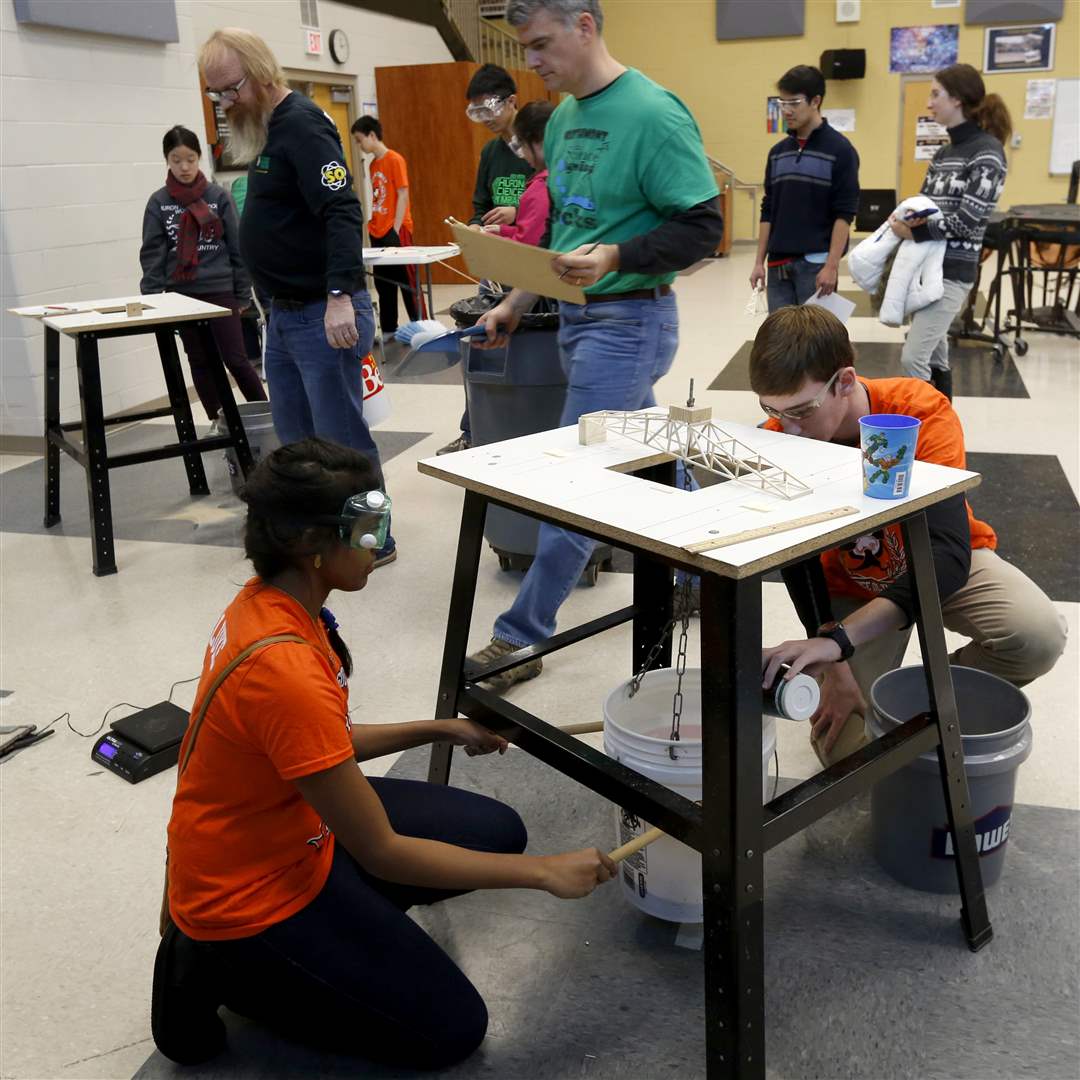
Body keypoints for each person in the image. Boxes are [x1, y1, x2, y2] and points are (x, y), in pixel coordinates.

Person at [151, 437, 616, 1069]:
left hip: (294, 826)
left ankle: (338, 934)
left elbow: (317, 747)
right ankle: (224, 965)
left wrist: (436, 729)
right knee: (453, 1029)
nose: (379, 545)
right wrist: (544, 874)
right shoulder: (283, 668)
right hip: (247, 894)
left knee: (494, 830)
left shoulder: (273, 604)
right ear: (311, 546)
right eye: (367, 529)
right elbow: (383, 850)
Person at [467, 0, 724, 691]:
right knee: (645, 443)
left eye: (542, 44)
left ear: (585, 26)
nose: (533, 63)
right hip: (581, 318)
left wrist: (614, 257)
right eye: (525, 48)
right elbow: (564, 231)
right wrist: (518, 302)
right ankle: (701, 561)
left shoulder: (653, 113)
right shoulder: (570, 115)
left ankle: (520, 638)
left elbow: (703, 228)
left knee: (581, 473)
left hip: (629, 321)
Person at [752, 306, 1066, 768]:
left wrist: (840, 643)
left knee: (1036, 637)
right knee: (852, 756)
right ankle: (896, 697)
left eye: (801, 410)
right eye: (772, 410)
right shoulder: (779, 435)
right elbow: (799, 566)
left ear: (844, 380)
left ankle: (920, 690)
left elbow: (948, 556)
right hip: (848, 591)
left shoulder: (916, 411)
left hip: (935, 564)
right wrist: (835, 663)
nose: (788, 427)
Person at [198, 28, 395, 565]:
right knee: (299, 442)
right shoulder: (267, 130)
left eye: (230, 90)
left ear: (261, 75)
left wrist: (338, 296)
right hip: (284, 317)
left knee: (341, 440)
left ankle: (374, 539)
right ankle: (326, 535)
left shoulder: (303, 125)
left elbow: (341, 211)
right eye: (216, 94)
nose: (224, 103)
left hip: (320, 311)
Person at [892, 64, 1010, 401]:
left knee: (913, 358)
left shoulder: (988, 151)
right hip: (927, 266)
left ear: (957, 99)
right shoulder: (944, 153)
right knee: (935, 354)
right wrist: (904, 215)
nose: (929, 103)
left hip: (953, 273)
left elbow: (968, 221)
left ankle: (925, 434)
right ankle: (944, 428)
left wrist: (912, 231)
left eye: (935, 94)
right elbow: (924, 205)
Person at [438, 64, 536, 457]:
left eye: (489, 109)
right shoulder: (490, 152)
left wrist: (518, 212)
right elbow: (480, 205)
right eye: (475, 112)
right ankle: (474, 430)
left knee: (532, 351)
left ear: (512, 101)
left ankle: (531, 429)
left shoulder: (540, 143)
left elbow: (552, 202)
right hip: (497, 267)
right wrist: (476, 226)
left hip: (533, 264)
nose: (485, 120)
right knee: (481, 345)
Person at [139, 125, 266, 422]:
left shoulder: (218, 196)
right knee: (199, 361)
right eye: (176, 159)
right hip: (181, 296)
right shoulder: (159, 202)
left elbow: (237, 246)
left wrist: (242, 291)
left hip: (220, 290)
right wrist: (153, 300)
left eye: (191, 159)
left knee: (235, 358)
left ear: (199, 159)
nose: (184, 167)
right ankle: (219, 423)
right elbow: (152, 254)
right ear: (167, 160)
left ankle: (266, 416)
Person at [749, 65, 860, 311]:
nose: (786, 110)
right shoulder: (777, 153)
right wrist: (759, 261)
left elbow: (845, 213)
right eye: (782, 103)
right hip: (778, 265)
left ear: (816, 101)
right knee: (781, 342)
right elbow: (768, 209)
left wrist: (832, 266)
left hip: (816, 265)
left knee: (818, 344)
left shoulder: (841, 150)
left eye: (794, 103)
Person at [350, 116, 422, 337]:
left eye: (360, 140)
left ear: (372, 135)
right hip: (377, 230)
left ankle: (420, 326)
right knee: (384, 285)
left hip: (396, 230)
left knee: (407, 283)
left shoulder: (395, 159)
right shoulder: (373, 165)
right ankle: (389, 329)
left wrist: (396, 228)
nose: (360, 146)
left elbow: (402, 195)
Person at [482, 100, 555, 246]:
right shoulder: (563, 178)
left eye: (522, 146)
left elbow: (527, 248)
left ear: (538, 142)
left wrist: (490, 240)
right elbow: (532, 232)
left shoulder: (540, 190)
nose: (522, 154)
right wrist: (503, 231)